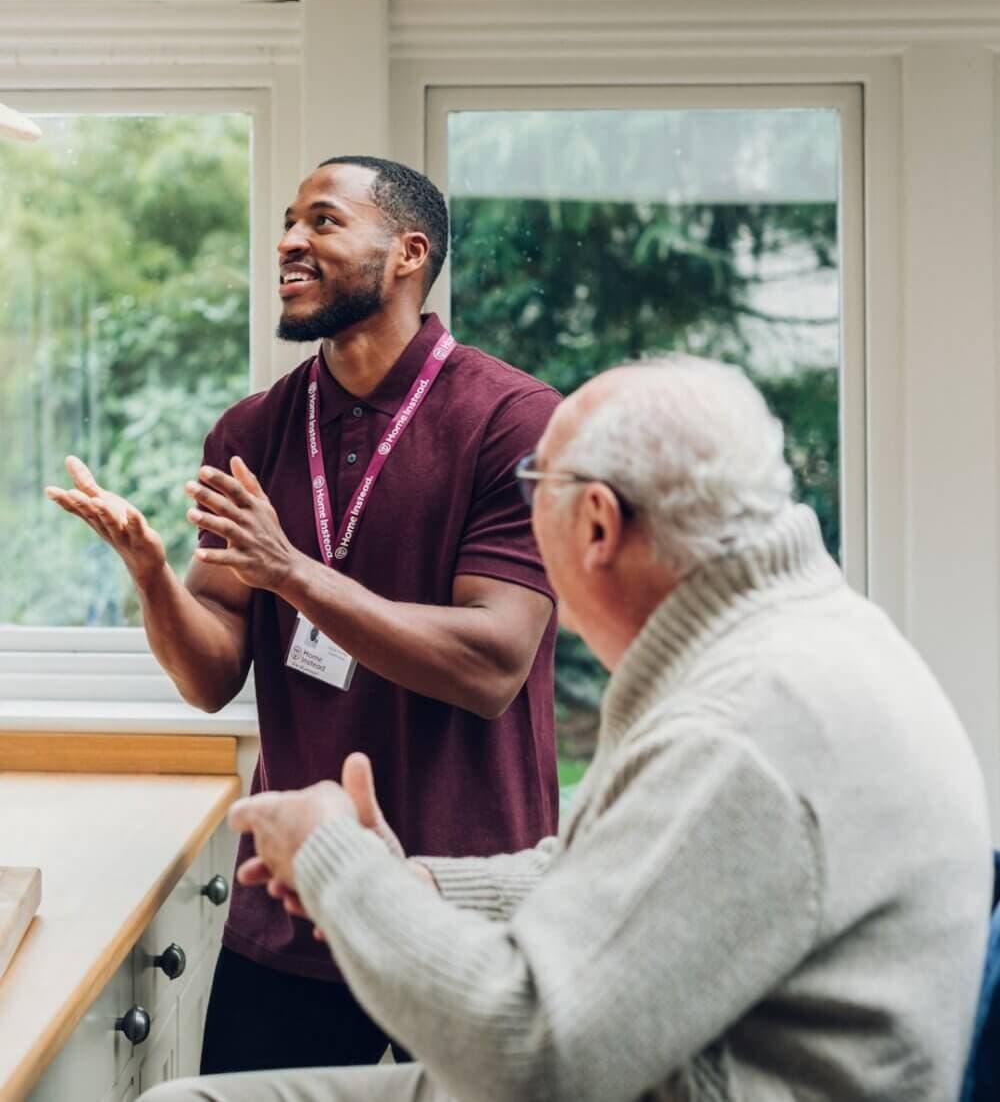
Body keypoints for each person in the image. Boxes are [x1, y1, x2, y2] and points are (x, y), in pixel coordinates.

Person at [143, 355, 992, 1102]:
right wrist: (426, 886)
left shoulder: (740, 726)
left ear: (594, 524)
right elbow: (638, 872)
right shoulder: (802, 638)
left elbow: (530, 1056)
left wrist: (338, 862)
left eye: (530, 492)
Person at [46, 156, 560, 1073]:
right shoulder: (251, 432)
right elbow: (210, 677)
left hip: (465, 914)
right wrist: (155, 577)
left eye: (323, 221)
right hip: (289, 917)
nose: (288, 240)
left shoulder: (514, 420)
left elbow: (492, 665)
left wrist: (291, 571)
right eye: (287, 221)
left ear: (407, 252)